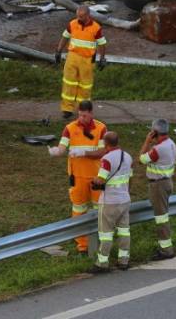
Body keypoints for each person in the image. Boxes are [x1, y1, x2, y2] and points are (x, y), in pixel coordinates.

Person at [48, 99, 108, 255]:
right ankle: (82, 245)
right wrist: (56, 151)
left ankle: (102, 241)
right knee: (78, 209)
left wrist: (84, 153)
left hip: (97, 177)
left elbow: (102, 152)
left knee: (100, 208)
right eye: (80, 115)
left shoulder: (101, 128)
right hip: (78, 177)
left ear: (91, 114)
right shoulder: (69, 128)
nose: (82, 119)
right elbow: (62, 148)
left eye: (85, 116)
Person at [90, 131, 132, 273]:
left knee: (106, 234)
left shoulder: (107, 159)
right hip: (125, 199)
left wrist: (94, 181)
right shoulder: (127, 157)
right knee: (124, 232)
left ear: (105, 143)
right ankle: (124, 260)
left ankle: (102, 263)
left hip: (109, 201)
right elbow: (129, 179)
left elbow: (101, 179)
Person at [55, 6, 107, 118]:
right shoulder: (72, 24)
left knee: (85, 86)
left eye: (81, 16)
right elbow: (64, 37)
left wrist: (102, 59)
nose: (78, 18)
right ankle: (67, 109)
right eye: (77, 15)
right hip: (72, 57)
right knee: (68, 83)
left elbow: (102, 44)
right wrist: (58, 51)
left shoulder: (96, 28)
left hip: (87, 60)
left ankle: (82, 109)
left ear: (88, 15)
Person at [139, 118, 176, 260]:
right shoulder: (171, 144)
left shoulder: (158, 149)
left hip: (158, 186)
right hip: (167, 181)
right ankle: (166, 247)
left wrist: (147, 141)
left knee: (161, 219)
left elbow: (141, 159)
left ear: (154, 132)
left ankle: (166, 250)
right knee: (163, 216)